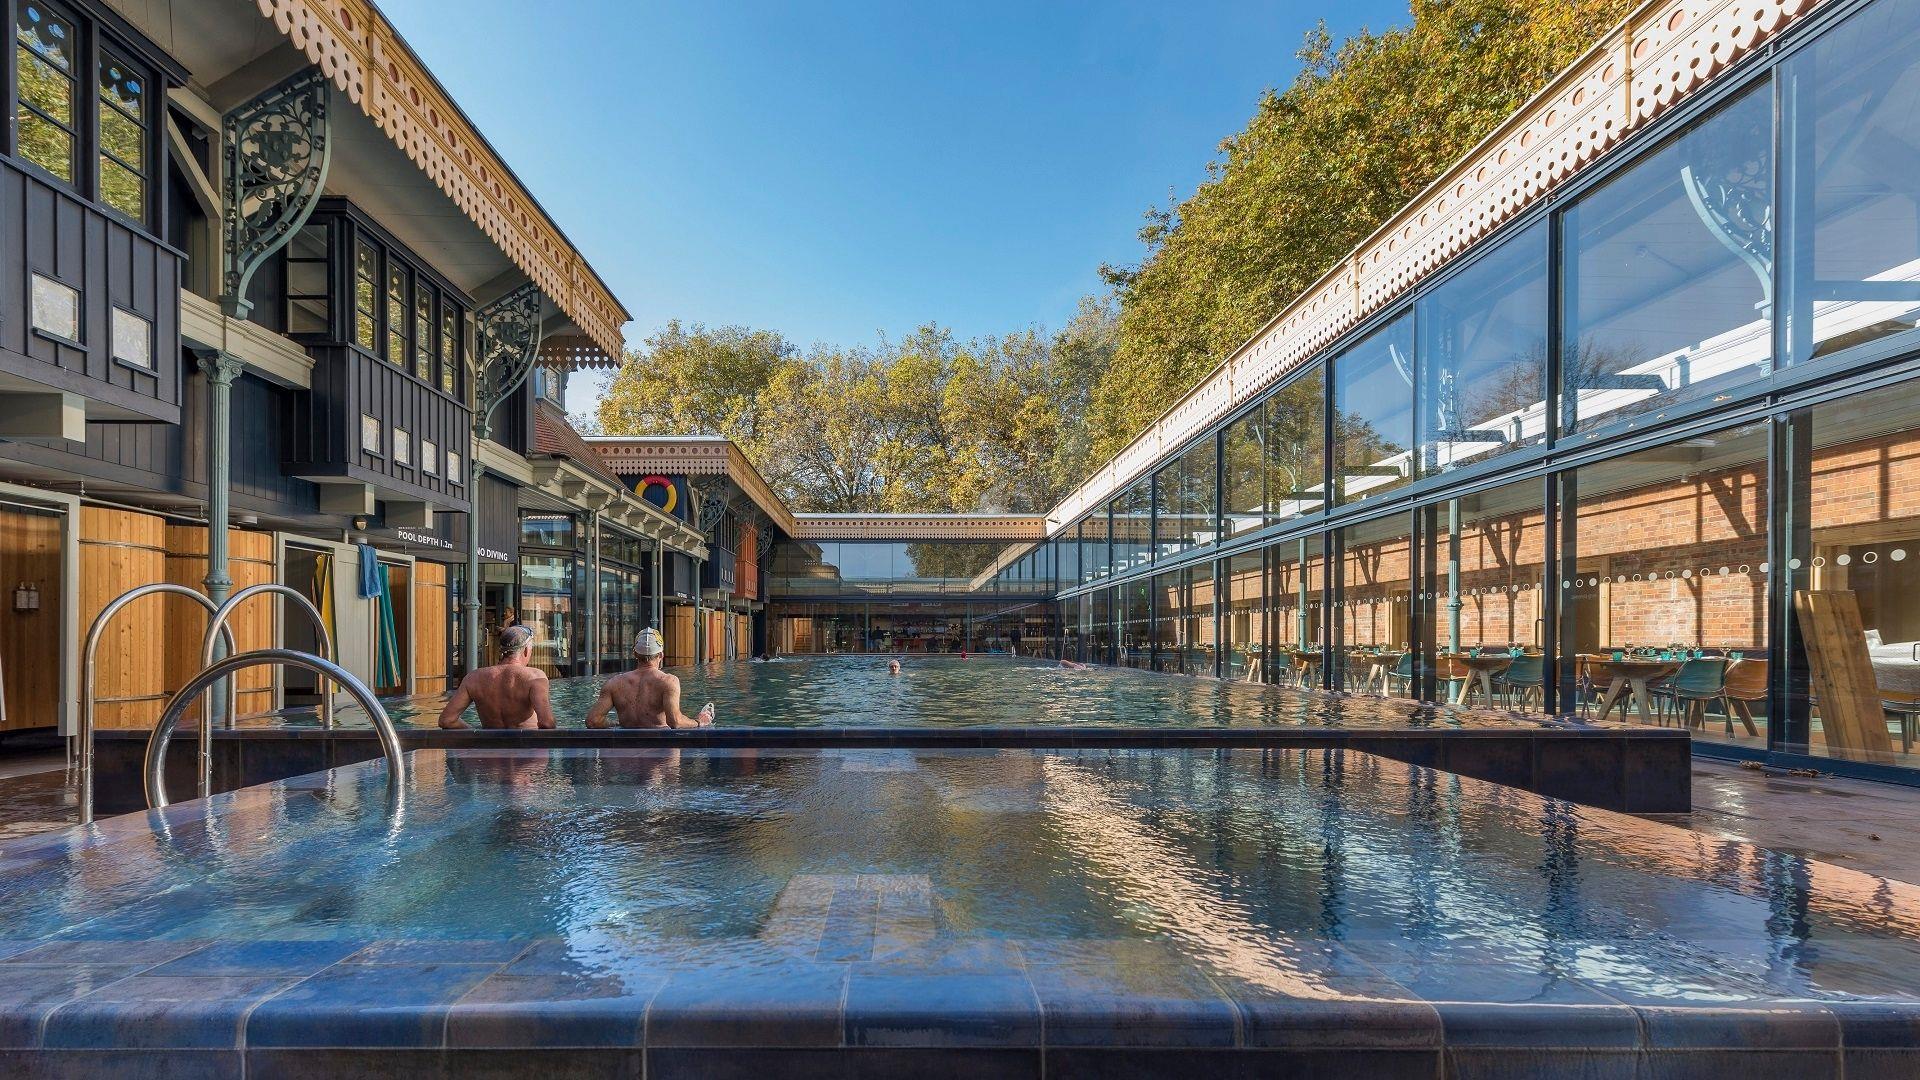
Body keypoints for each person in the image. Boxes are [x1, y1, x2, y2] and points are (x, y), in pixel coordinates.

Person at [585, 628, 716, 729]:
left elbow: (593, 721)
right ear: (661, 655)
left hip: (624, 757)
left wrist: (617, 725)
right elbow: (675, 722)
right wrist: (699, 722)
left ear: (635, 653)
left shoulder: (614, 684)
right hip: (661, 756)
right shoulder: (669, 682)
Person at [438, 625, 556, 730]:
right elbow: (547, 723)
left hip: (490, 751)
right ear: (525, 651)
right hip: (527, 751)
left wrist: (475, 732)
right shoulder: (535, 677)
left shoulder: (473, 678)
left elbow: (447, 720)